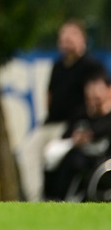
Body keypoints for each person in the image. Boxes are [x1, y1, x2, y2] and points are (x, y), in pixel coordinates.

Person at [17, 19, 105, 201]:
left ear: (83, 39)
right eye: (63, 36)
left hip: (71, 126)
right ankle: (36, 199)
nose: (66, 40)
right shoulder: (57, 66)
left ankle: (59, 197)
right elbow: (48, 96)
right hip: (50, 123)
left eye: (72, 35)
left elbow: (100, 98)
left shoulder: (91, 66)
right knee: (27, 151)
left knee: (55, 156)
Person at [43, 70, 111, 201]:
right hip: (77, 154)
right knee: (55, 161)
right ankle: (51, 197)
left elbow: (101, 130)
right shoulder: (81, 114)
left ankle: (68, 197)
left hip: (101, 159)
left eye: (98, 91)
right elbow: (66, 135)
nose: (95, 96)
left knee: (75, 161)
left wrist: (89, 134)